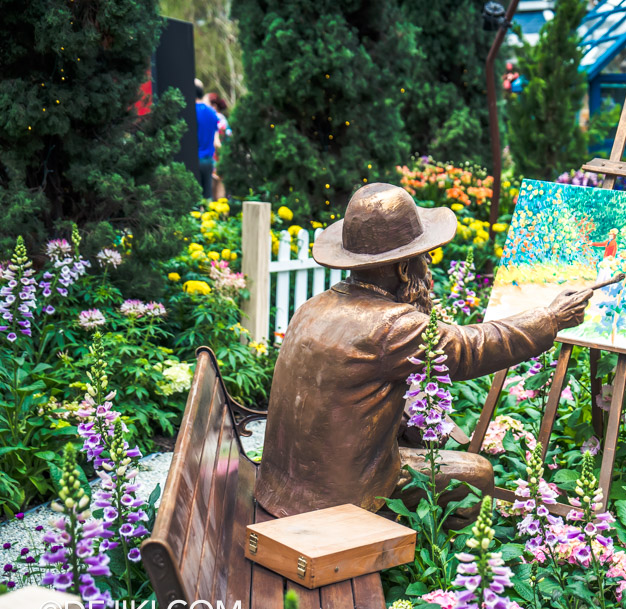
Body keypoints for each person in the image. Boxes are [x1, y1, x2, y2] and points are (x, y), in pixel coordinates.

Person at [255, 183, 594, 525]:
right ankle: (418, 562)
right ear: (404, 269)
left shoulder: (313, 306)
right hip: (337, 499)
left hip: (284, 486)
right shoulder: (391, 325)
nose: (428, 268)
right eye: (424, 258)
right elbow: (472, 348)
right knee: (478, 476)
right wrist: (551, 318)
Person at [194, 80, 220, 200]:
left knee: (194, 198)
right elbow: (216, 138)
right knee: (207, 196)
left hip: (193, 161)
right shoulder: (212, 113)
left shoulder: (190, 111)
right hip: (208, 161)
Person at [206, 92, 230, 199]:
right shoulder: (224, 120)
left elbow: (216, 142)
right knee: (220, 194)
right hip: (222, 160)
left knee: (215, 193)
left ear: (214, 106)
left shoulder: (216, 119)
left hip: (215, 159)